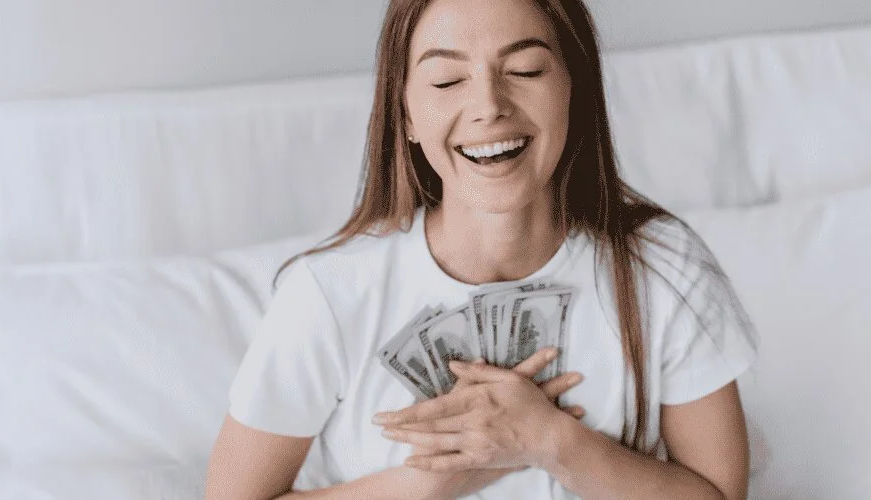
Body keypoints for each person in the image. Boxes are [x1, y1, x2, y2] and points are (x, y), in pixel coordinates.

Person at [205, 0, 758, 498]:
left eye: (525, 70)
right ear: (407, 117)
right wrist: (432, 478)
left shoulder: (663, 267)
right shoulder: (327, 295)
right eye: (447, 81)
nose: (488, 105)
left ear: (575, 89)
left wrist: (551, 441)